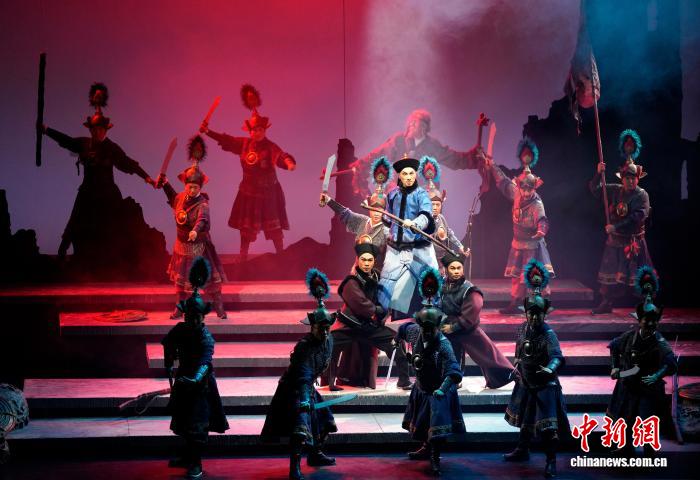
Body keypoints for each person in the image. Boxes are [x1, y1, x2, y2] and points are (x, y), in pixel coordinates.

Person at [40, 82, 156, 261]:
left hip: (108, 191)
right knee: (75, 219)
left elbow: (128, 163)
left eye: (101, 129)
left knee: (120, 220)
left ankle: (127, 257)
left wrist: (147, 177)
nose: (98, 132)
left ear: (106, 131)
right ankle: (62, 253)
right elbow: (66, 141)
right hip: (87, 190)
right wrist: (47, 130)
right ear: (91, 130)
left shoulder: (112, 148)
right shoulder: (84, 143)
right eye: (94, 129)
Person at [200, 84, 296, 260]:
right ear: (250, 132)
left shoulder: (270, 146)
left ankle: (281, 255)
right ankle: (243, 256)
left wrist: (289, 163)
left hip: (269, 191)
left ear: (264, 130)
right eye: (254, 130)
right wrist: (207, 132)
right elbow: (226, 140)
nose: (257, 132)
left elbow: (280, 156)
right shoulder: (243, 144)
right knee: (246, 227)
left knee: (274, 226)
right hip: (249, 191)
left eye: (260, 129)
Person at [261, 269, 338, 480]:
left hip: (308, 387)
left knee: (324, 420)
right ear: (312, 327)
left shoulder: (329, 341)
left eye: (327, 328)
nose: (324, 332)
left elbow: (320, 367)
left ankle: (315, 454)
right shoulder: (304, 346)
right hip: (293, 390)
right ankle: (294, 467)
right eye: (320, 328)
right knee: (300, 427)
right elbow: (303, 375)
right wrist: (304, 400)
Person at [162, 257, 229, 479]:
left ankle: (196, 462)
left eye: (196, 317)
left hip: (200, 385)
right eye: (189, 316)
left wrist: (195, 379)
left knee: (197, 423)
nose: (192, 320)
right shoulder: (180, 330)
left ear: (202, 317)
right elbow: (168, 343)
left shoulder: (205, 337)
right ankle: (186, 456)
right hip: (183, 379)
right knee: (183, 420)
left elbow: (205, 362)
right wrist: (169, 362)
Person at [504, 259, 570, 479]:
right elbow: (519, 350)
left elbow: (557, 357)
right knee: (526, 420)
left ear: (544, 314)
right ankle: (522, 450)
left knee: (548, 428)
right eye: (530, 313)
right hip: (526, 381)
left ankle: (551, 461)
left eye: (538, 314)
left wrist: (550, 369)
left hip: (545, 385)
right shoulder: (523, 328)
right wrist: (516, 364)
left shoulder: (549, 334)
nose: (533, 317)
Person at [396, 266, 465, 475]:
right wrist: (397, 341)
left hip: (438, 389)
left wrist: (442, 389)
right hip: (422, 387)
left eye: (430, 328)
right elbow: (402, 329)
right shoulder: (415, 332)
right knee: (424, 423)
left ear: (437, 327)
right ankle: (426, 448)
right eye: (423, 328)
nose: (426, 332)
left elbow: (454, 371)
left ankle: (435, 457)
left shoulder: (443, 344)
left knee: (436, 427)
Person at [607, 266, 677, 457]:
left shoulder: (659, 341)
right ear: (640, 320)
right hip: (629, 384)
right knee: (627, 417)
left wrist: (656, 376)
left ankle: (649, 450)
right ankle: (626, 448)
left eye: (654, 320)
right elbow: (614, 347)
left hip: (648, 387)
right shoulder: (630, 336)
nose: (651, 323)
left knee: (647, 419)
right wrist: (615, 367)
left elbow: (671, 363)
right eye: (647, 320)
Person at [156, 135, 227, 319]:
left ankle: (219, 307)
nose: (192, 189)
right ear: (185, 185)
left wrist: (195, 230)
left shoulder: (203, 203)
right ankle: (180, 308)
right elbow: (173, 199)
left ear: (200, 187)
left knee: (209, 279)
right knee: (180, 283)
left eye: (195, 187)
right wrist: (165, 184)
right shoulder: (181, 197)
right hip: (182, 246)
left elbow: (202, 219)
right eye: (190, 186)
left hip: (199, 246)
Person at [326, 243, 411, 390]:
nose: (366, 263)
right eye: (363, 260)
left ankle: (404, 380)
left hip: (369, 327)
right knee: (330, 346)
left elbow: (386, 296)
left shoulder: (378, 277)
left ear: (374, 261)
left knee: (395, 342)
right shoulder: (351, 281)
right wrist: (377, 310)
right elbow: (360, 303)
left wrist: (386, 309)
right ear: (358, 260)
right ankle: (330, 383)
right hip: (349, 325)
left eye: (370, 260)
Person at [349, 109, 484, 197]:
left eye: (415, 122)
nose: (411, 124)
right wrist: (360, 166)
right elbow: (377, 156)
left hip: (422, 196)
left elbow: (455, 160)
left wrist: (474, 157)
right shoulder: (398, 140)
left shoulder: (433, 146)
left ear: (424, 127)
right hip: (398, 194)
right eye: (410, 121)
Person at [590, 129, 654, 314]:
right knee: (609, 273)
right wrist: (598, 173)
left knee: (639, 274)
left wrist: (615, 226)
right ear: (622, 178)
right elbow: (595, 190)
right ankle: (606, 302)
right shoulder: (616, 190)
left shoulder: (642, 195)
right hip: (616, 240)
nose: (630, 182)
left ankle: (646, 304)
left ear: (637, 179)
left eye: (633, 178)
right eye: (627, 178)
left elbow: (637, 217)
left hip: (634, 241)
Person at [487, 148, 554, 314]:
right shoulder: (516, 194)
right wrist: (492, 165)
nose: (526, 192)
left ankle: (540, 303)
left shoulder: (537, 203)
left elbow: (542, 220)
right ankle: (515, 302)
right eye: (523, 189)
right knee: (517, 276)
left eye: (529, 190)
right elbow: (503, 182)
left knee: (534, 274)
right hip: (518, 242)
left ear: (534, 188)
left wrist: (541, 231)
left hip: (533, 244)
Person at [438, 252, 514, 389]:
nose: (456, 271)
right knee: (450, 354)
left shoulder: (470, 289)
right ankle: (453, 379)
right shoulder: (443, 286)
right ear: (446, 270)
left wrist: (454, 327)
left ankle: (511, 376)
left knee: (488, 355)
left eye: (459, 268)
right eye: (452, 268)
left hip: (467, 329)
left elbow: (472, 312)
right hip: (447, 327)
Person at [378, 156, 438, 320]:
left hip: (419, 248)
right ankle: (379, 319)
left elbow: (425, 216)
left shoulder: (422, 195)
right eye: (405, 174)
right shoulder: (392, 195)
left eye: (412, 173)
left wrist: (415, 223)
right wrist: (385, 222)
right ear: (400, 176)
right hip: (396, 248)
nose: (409, 177)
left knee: (430, 281)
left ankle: (434, 319)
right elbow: (388, 218)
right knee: (385, 283)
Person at [320, 156, 393, 270]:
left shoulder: (387, 231)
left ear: (385, 211)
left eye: (380, 210)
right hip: (358, 270)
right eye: (374, 209)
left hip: (379, 272)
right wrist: (328, 200)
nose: (376, 213)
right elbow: (345, 213)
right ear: (369, 208)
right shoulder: (362, 221)